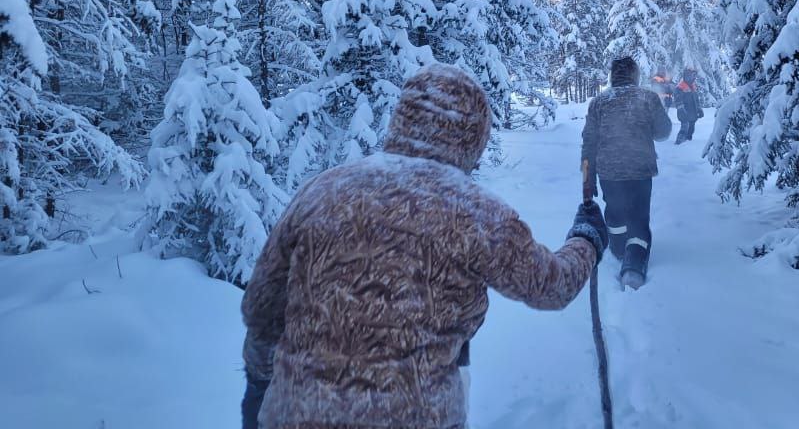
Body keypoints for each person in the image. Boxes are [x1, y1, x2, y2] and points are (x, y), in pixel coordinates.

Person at [239, 64, 607, 429]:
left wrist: (259, 382)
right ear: (474, 136)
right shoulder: (478, 214)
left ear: (403, 119)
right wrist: (586, 240)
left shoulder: (322, 192)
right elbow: (550, 286)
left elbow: (261, 308)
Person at [581, 56, 672, 289]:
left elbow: (589, 142)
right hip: (640, 170)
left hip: (609, 172)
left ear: (613, 75)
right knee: (639, 217)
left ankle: (619, 247)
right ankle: (633, 266)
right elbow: (663, 133)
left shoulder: (599, 101)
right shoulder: (648, 97)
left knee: (615, 213)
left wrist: (588, 179)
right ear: (635, 75)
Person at [673, 67, 703, 145]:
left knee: (691, 129)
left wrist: (699, 109)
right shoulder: (680, 87)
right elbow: (677, 99)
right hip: (684, 112)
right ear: (686, 76)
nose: (694, 77)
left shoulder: (693, 86)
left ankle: (688, 143)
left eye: (694, 75)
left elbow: (696, 99)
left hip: (693, 112)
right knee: (684, 128)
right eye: (692, 75)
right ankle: (678, 143)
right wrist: (681, 109)